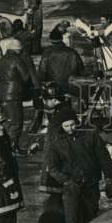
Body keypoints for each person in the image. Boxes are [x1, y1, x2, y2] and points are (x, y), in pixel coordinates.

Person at [45, 104, 112, 223]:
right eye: (66, 126)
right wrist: (66, 181)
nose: (70, 129)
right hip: (71, 187)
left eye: (72, 125)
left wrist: (109, 178)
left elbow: (104, 157)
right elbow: (52, 167)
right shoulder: (57, 142)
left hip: (91, 184)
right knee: (72, 222)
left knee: (90, 220)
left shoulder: (90, 135)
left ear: (76, 122)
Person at [33, 81, 72, 211]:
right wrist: (38, 143)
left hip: (58, 159)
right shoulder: (60, 112)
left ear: (54, 100)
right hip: (57, 157)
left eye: (46, 99)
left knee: (57, 196)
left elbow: (55, 136)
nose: (44, 102)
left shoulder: (61, 115)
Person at [0, 37, 36, 155]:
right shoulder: (17, 60)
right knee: (16, 122)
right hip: (14, 95)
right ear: (17, 49)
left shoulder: (2, 60)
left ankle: (7, 147)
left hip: (2, 94)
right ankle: (14, 148)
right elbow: (26, 77)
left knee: (7, 122)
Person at [37, 27, 84, 101]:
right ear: (61, 38)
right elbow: (81, 70)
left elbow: (42, 72)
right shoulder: (72, 52)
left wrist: (41, 84)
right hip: (71, 87)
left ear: (51, 40)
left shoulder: (47, 53)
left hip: (55, 88)